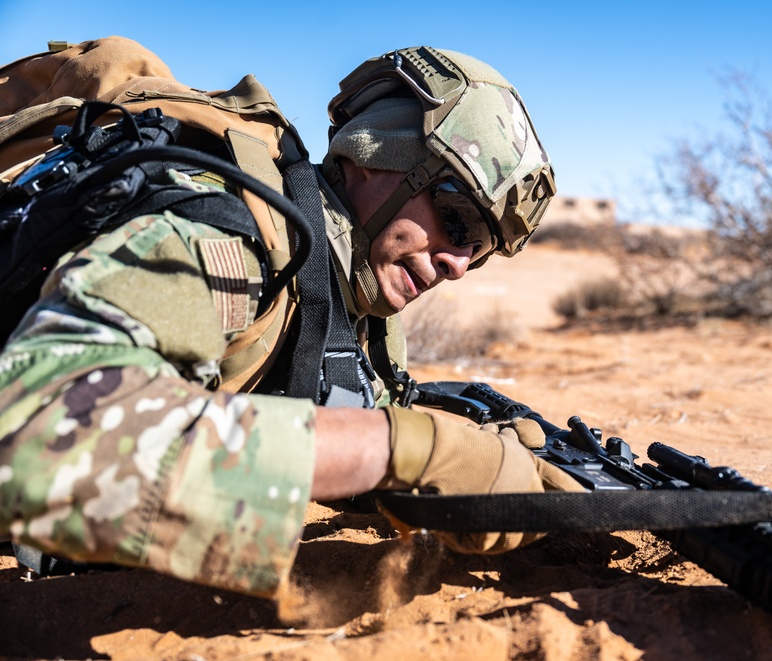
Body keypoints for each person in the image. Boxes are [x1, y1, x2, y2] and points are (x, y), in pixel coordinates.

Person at [0, 38, 581, 597]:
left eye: (479, 246)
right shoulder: (230, 244)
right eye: (456, 219)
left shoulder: (346, 304)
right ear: (378, 156)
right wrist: (404, 448)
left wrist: (466, 453)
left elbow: (338, 419)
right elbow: (33, 430)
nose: (457, 264)